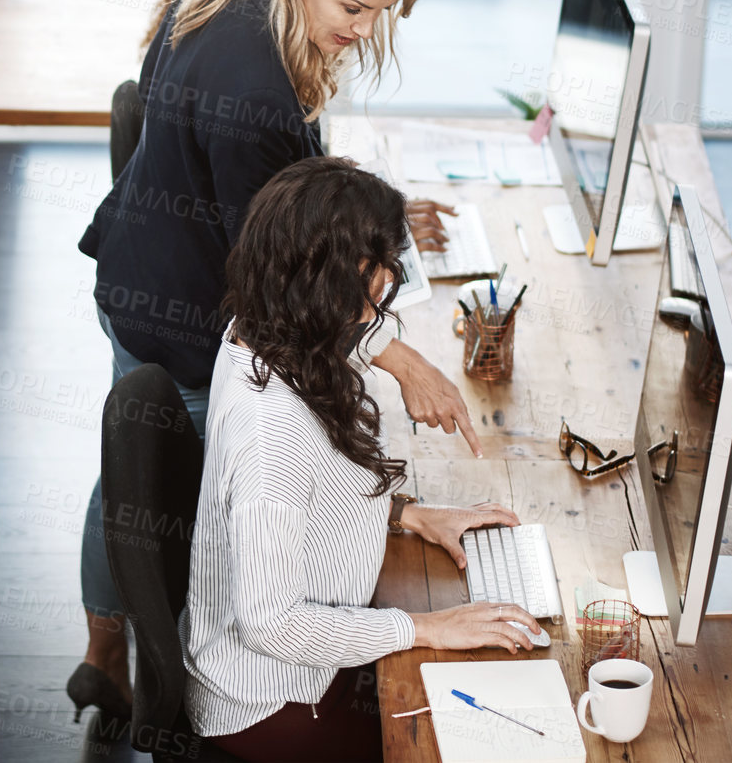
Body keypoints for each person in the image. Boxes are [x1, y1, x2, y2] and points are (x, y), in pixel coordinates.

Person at [71, 0, 481, 720]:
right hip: (185, 309)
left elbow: (278, 193)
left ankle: (103, 652)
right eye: (354, 6)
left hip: (140, 266)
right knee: (153, 489)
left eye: (379, 13)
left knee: (128, 471)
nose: (363, 30)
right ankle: (152, 664)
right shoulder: (251, 88)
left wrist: (380, 217)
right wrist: (398, 356)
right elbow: (283, 266)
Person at [184, 157, 538, 763]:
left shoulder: (263, 325)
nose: (373, 321)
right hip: (276, 700)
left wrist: (406, 514)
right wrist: (427, 627)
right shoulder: (272, 434)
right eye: (366, 300)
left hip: (312, 662)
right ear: (322, 289)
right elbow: (270, 624)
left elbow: (317, 490)